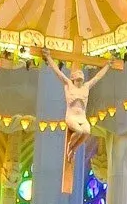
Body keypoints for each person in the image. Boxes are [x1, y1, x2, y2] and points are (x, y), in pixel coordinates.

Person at [44, 55, 110, 193]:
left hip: (82, 117)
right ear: (74, 78)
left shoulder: (86, 87)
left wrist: (107, 66)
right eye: (78, 78)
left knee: (87, 131)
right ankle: (70, 147)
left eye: (81, 78)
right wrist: (49, 57)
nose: (80, 81)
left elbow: (97, 77)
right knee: (79, 132)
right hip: (71, 116)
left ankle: (73, 149)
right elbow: (58, 71)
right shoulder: (68, 85)